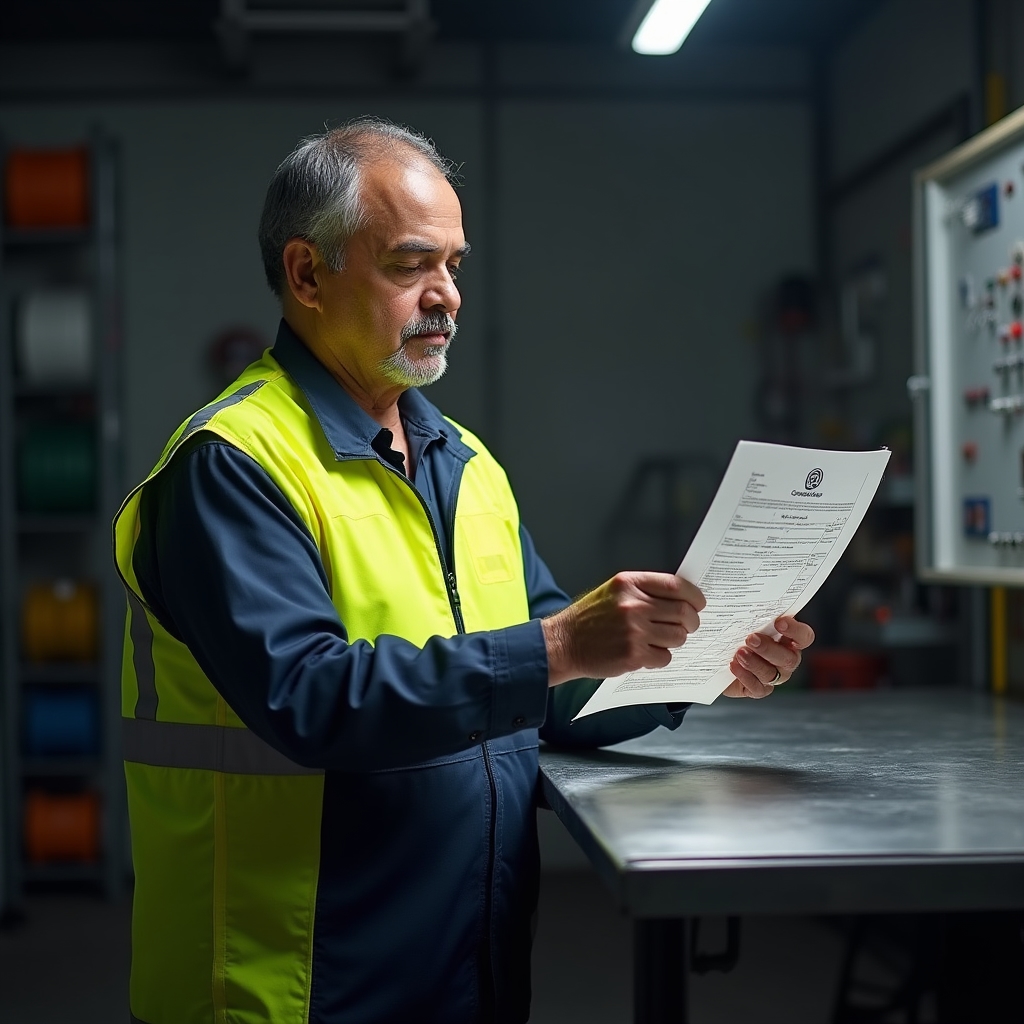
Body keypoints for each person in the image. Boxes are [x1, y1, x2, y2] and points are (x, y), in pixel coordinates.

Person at [113, 118, 814, 1024]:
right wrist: (560, 644)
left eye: (454, 265)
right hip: (290, 981)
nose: (444, 296)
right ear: (305, 274)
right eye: (411, 265)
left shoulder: (465, 464)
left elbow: (552, 689)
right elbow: (311, 697)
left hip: (461, 969)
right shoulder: (234, 463)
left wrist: (695, 658)